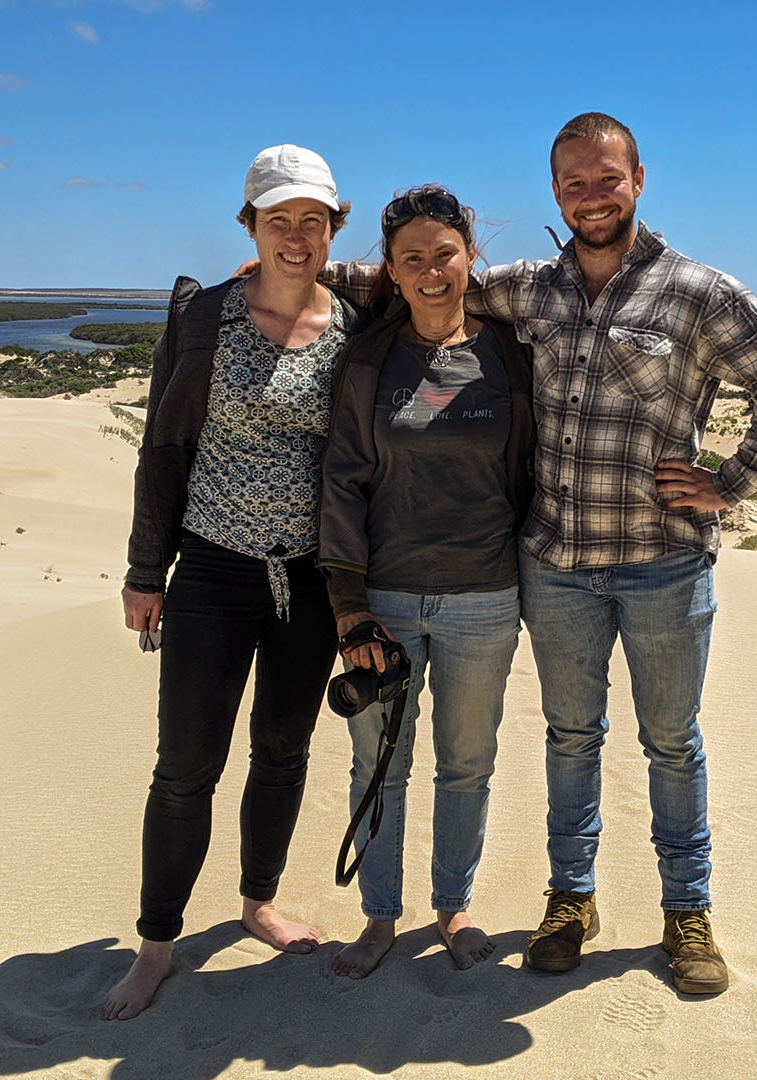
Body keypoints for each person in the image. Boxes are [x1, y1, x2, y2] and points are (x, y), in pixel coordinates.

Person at [328, 114, 757, 993]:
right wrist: (292, 269)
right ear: (554, 191)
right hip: (555, 565)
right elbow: (422, 274)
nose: (591, 198)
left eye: (606, 180)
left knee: (672, 742)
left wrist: (732, 481)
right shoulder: (531, 288)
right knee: (570, 738)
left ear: (639, 179)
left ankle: (687, 911)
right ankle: (572, 899)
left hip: (663, 563)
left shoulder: (697, 292)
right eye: (573, 184)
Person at [101, 144, 365, 1021]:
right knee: (185, 768)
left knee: (283, 753)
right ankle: (156, 946)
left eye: (313, 220)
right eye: (278, 218)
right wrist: (148, 570)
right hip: (212, 571)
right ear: (249, 225)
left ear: (335, 227)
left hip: (310, 582)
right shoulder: (205, 316)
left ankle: (258, 903)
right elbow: (165, 447)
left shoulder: (357, 323)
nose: (297, 236)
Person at [315, 185, 535, 979]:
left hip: (486, 595)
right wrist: (349, 606)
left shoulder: (510, 350)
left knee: (468, 762)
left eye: (445, 253)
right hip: (386, 602)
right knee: (379, 764)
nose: (432, 271)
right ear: (394, 272)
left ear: (471, 256)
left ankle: (454, 904)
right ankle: (379, 917)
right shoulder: (370, 359)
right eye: (413, 259)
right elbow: (340, 481)